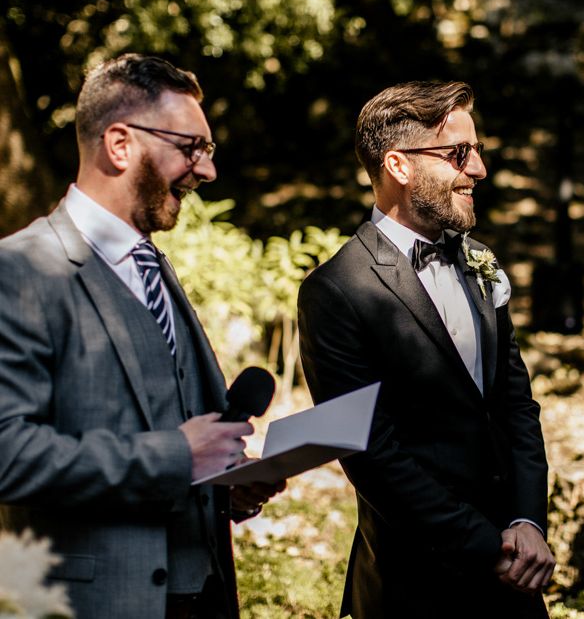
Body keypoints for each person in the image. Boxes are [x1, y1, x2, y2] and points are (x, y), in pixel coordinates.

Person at [0, 53, 284, 619]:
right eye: (191, 149)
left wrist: (223, 481)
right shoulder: (19, 270)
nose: (207, 171)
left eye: (208, 151)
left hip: (203, 593)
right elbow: (9, 453)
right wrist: (177, 456)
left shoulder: (154, 266)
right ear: (121, 143)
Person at [298, 81, 555, 618]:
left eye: (478, 151)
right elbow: (371, 454)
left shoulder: (479, 260)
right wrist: (490, 548)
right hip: (413, 581)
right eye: (460, 154)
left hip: (518, 574)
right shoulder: (338, 290)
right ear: (399, 166)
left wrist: (528, 524)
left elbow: (516, 405)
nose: (479, 169)